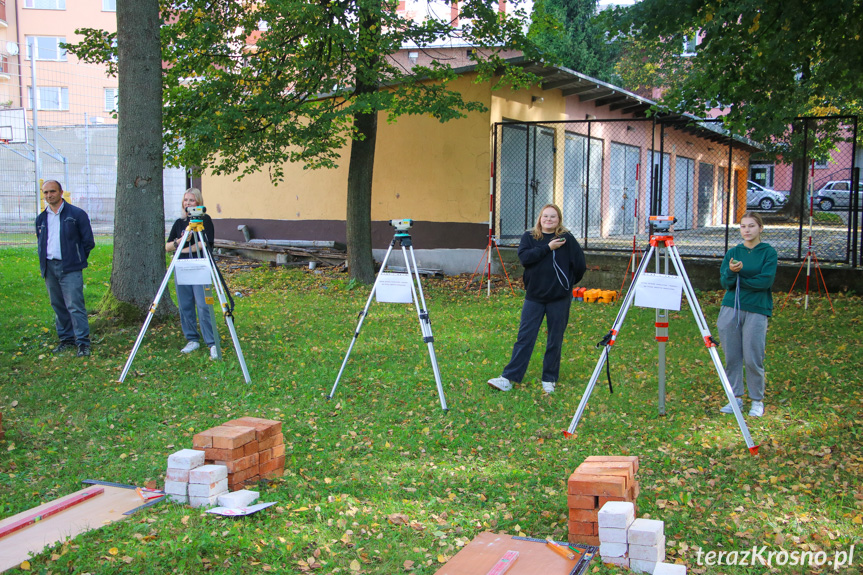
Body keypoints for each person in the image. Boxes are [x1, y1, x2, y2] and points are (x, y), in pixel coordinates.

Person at [488, 204, 586, 394]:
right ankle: (509, 377)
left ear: (559, 220)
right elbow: (525, 258)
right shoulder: (530, 237)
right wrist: (548, 248)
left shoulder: (567, 239)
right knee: (525, 337)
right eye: (545, 216)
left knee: (554, 338)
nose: (549, 220)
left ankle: (549, 378)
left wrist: (567, 283)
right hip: (535, 297)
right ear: (540, 218)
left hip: (559, 298)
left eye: (553, 217)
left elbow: (580, 265)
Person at [717, 211, 777, 418]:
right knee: (732, 357)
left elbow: (765, 282)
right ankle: (735, 398)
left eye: (751, 226)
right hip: (730, 309)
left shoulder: (768, 252)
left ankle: (757, 400)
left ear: (760, 228)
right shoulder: (734, 252)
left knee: (753, 357)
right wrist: (733, 274)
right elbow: (725, 283)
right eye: (743, 226)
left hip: (757, 310)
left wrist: (739, 282)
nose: (747, 230)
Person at [36, 180, 95, 357]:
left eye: (52, 191)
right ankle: (66, 339)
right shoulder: (41, 218)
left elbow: (88, 242)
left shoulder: (76, 214)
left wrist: (76, 259)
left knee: (75, 306)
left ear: (61, 192)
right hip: (50, 267)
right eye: (45, 192)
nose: (49, 195)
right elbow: (41, 243)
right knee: (58, 305)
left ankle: (83, 342)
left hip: (70, 267)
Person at [165, 188, 219, 359]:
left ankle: (211, 342)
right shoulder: (179, 223)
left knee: (203, 304)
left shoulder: (205, 220)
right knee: (185, 304)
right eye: (186, 200)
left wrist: (183, 248)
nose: (188, 203)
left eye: (192, 200)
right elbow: (167, 246)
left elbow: (204, 244)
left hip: (200, 265)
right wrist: (180, 242)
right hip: (182, 266)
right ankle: (192, 339)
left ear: (199, 202)